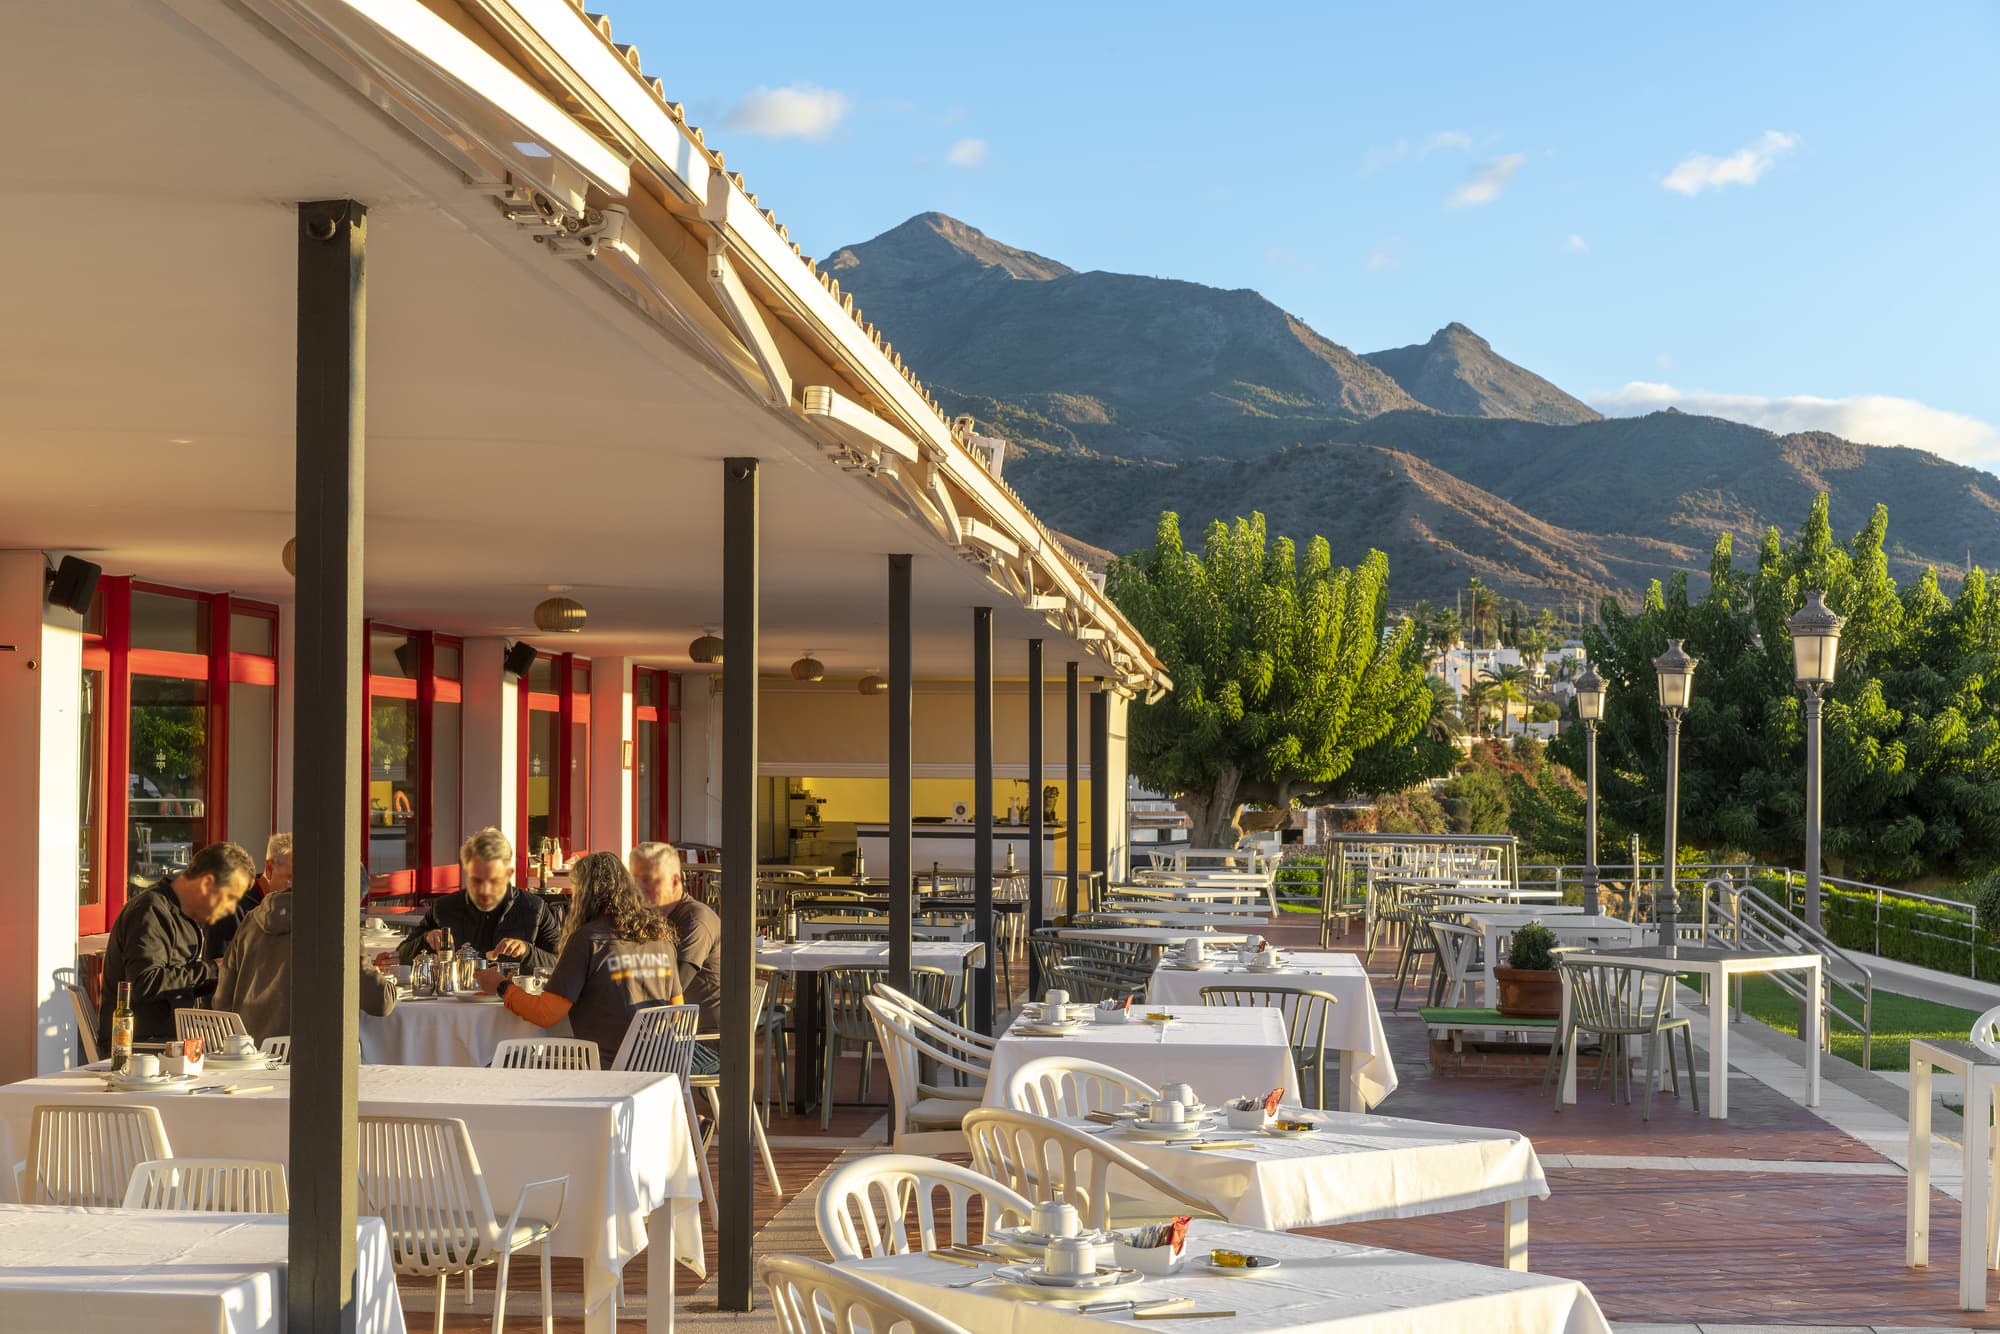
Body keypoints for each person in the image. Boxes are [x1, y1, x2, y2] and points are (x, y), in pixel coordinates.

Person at [476, 851, 682, 1066]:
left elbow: (545, 1014)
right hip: (661, 1064)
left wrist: (501, 986)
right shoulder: (660, 938)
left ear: (584, 895)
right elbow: (676, 1010)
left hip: (606, 1066)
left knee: (502, 1061)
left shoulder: (588, 939)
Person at [213, 841, 395, 1042]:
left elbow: (222, 1001)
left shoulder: (251, 920)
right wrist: (391, 982)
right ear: (344, 894)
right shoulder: (336, 925)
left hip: (251, 1050)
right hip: (313, 1052)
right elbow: (380, 1002)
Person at [97, 841, 256, 1049]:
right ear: (207, 883)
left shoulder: (184, 918)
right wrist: (213, 969)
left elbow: (177, 984)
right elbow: (144, 984)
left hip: (171, 1042)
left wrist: (225, 975)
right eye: (230, 898)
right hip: (140, 1048)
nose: (231, 909)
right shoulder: (151, 911)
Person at [395, 828, 560, 968]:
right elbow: (400, 955)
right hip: (454, 996)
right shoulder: (444, 908)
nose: (484, 890)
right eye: (477, 881)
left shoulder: (534, 908)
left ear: (509, 874)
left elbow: (560, 963)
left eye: (493, 881)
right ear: (466, 873)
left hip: (514, 996)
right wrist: (426, 939)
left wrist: (527, 951)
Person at [630, 842, 720, 1034]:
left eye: (648, 880)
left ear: (675, 881)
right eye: (634, 880)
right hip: (669, 1030)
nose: (638, 888)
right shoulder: (652, 919)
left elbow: (670, 988)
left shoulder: (696, 920)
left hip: (701, 1037)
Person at [202, 832, 292, 960]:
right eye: (291, 878)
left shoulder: (281, 908)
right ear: (270, 868)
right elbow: (218, 967)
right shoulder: (230, 909)